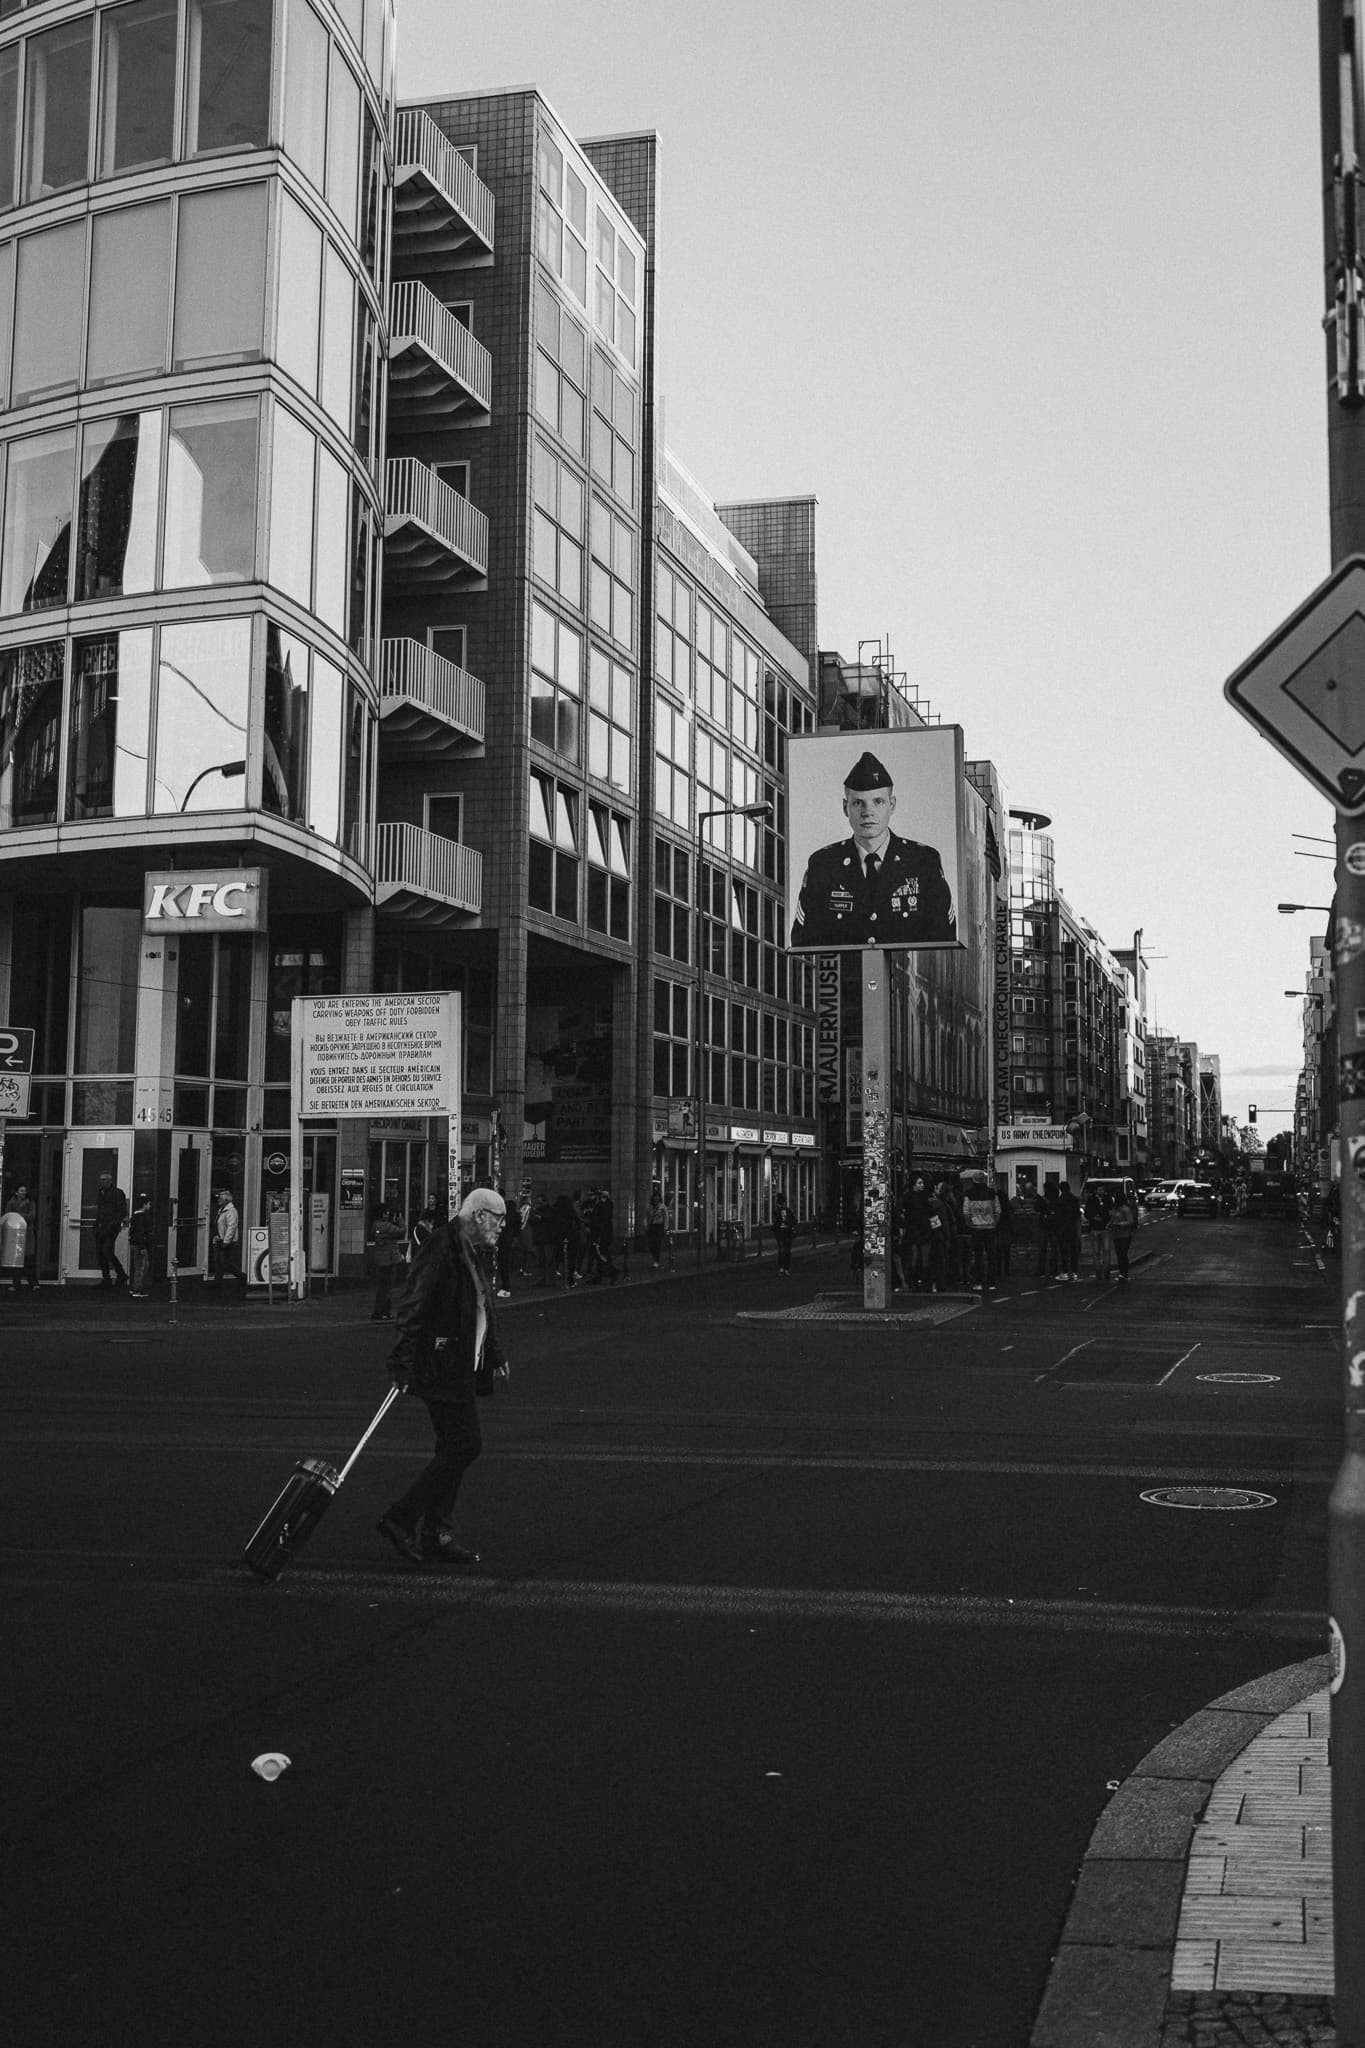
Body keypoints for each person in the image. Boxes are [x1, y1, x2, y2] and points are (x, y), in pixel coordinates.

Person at [377, 1187, 509, 1568]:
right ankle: (402, 1518)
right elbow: (413, 1305)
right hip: (441, 1364)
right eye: (498, 1219)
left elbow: (482, 1303)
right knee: (465, 1445)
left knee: (451, 1447)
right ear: (479, 1215)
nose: (502, 1227)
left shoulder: (468, 1250)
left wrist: (493, 1351)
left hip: (459, 1363)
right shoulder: (441, 1248)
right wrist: (401, 1362)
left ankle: (437, 1532)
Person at [791, 750, 956, 949]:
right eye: (858, 803)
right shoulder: (824, 864)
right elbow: (804, 941)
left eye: (878, 802)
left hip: (904, 977)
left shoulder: (923, 861)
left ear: (892, 805)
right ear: (845, 808)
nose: (867, 812)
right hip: (847, 978)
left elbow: (943, 937)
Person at [961, 1173, 1001, 1292]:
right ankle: (991, 1282)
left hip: (976, 1228)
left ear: (974, 1180)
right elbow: (998, 1210)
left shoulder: (969, 1193)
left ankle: (978, 1282)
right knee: (991, 1255)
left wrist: (969, 1223)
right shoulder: (992, 1193)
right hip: (990, 1227)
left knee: (978, 1256)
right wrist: (995, 1223)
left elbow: (966, 1211)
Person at [370, 1204, 407, 1321]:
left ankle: (382, 1311)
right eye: (386, 1212)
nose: (388, 1214)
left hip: (381, 1260)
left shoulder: (376, 1224)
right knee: (386, 1287)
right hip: (388, 1260)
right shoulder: (386, 1226)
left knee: (383, 1287)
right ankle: (382, 1312)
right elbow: (402, 1231)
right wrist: (400, 1219)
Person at [94, 1172, 129, 1291]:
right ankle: (108, 1278)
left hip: (111, 1228)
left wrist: (112, 1225)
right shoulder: (101, 1192)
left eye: (103, 1180)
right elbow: (100, 1210)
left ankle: (121, 1275)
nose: (101, 1182)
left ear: (109, 1181)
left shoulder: (118, 1193)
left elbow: (121, 1211)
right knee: (101, 1253)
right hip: (100, 1227)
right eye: (100, 1179)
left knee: (106, 1251)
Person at [210, 1187, 245, 1297]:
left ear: (226, 1200)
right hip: (219, 1239)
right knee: (218, 1263)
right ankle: (217, 1284)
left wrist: (226, 1240)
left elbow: (232, 1226)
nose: (218, 1200)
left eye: (220, 1198)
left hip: (226, 1241)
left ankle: (242, 1277)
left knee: (225, 1263)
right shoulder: (222, 1210)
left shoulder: (231, 1211)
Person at [1084, 1184, 1114, 1280]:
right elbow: (1087, 1212)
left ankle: (1106, 1271)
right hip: (1095, 1228)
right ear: (1096, 1190)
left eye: (1102, 1189)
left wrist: (1108, 1221)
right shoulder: (1091, 1199)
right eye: (1099, 1189)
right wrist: (1093, 1217)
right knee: (1097, 1252)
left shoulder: (1107, 1199)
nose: (1101, 1191)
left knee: (1106, 1250)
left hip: (1105, 1228)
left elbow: (1111, 1212)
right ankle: (1098, 1272)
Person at [1107, 1189, 1138, 1281]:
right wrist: (1109, 1224)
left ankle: (1124, 1272)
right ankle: (1122, 1272)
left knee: (1123, 1254)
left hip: (1125, 1235)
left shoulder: (1125, 1209)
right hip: (1117, 1234)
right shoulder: (1115, 1209)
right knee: (1119, 1254)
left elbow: (1130, 1221)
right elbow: (1112, 1219)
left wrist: (1119, 1224)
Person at [127, 1192, 154, 1299]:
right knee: (141, 1267)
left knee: (141, 1266)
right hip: (140, 1245)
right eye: (148, 1204)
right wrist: (143, 1247)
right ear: (145, 1204)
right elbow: (140, 1233)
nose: (150, 1206)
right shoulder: (142, 1217)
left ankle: (135, 1287)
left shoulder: (135, 1216)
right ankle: (137, 1289)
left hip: (136, 1244)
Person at [1055, 1184, 1082, 1282]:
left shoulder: (1059, 1200)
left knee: (1064, 1252)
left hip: (1062, 1229)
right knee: (1073, 1251)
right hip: (1072, 1228)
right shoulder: (1074, 1199)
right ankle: (1075, 1272)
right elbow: (1077, 1214)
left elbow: (1057, 1216)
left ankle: (1065, 1272)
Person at [645, 1189, 670, 1271]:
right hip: (651, 1226)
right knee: (651, 1244)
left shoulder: (662, 1207)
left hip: (659, 1226)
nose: (656, 1198)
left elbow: (666, 1217)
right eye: (655, 1197)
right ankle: (655, 1258)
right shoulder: (649, 1207)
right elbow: (646, 1217)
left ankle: (656, 1261)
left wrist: (665, 1228)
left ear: (659, 1198)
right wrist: (645, 1225)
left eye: (657, 1197)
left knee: (657, 1243)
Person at [772, 1196, 796, 1275]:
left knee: (786, 1251)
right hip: (781, 1232)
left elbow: (794, 1220)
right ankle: (783, 1268)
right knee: (782, 1251)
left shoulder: (788, 1211)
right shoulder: (777, 1212)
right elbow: (776, 1222)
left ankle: (785, 1268)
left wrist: (787, 1222)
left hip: (786, 1232)